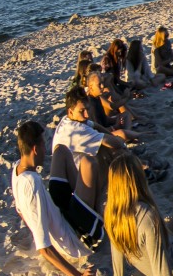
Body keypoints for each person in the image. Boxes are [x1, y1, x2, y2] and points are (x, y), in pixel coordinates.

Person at [11, 121, 95, 276]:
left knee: (62, 151)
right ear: (35, 149)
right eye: (43, 146)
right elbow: (44, 248)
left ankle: (78, 198)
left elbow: (21, 212)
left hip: (61, 218)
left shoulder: (17, 170)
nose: (45, 150)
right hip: (74, 241)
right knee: (89, 164)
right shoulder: (31, 183)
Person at [53, 87, 128, 215]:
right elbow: (113, 143)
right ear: (70, 112)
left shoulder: (67, 120)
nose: (87, 114)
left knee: (109, 146)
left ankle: (132, 168)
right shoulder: (75, 130)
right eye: (82, 111)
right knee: (106, 150)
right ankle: (132, 172)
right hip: (79, 186)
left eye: (88, 109)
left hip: (79, 177)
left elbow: (94, 125)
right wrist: (120, 143)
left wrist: (114, 138)